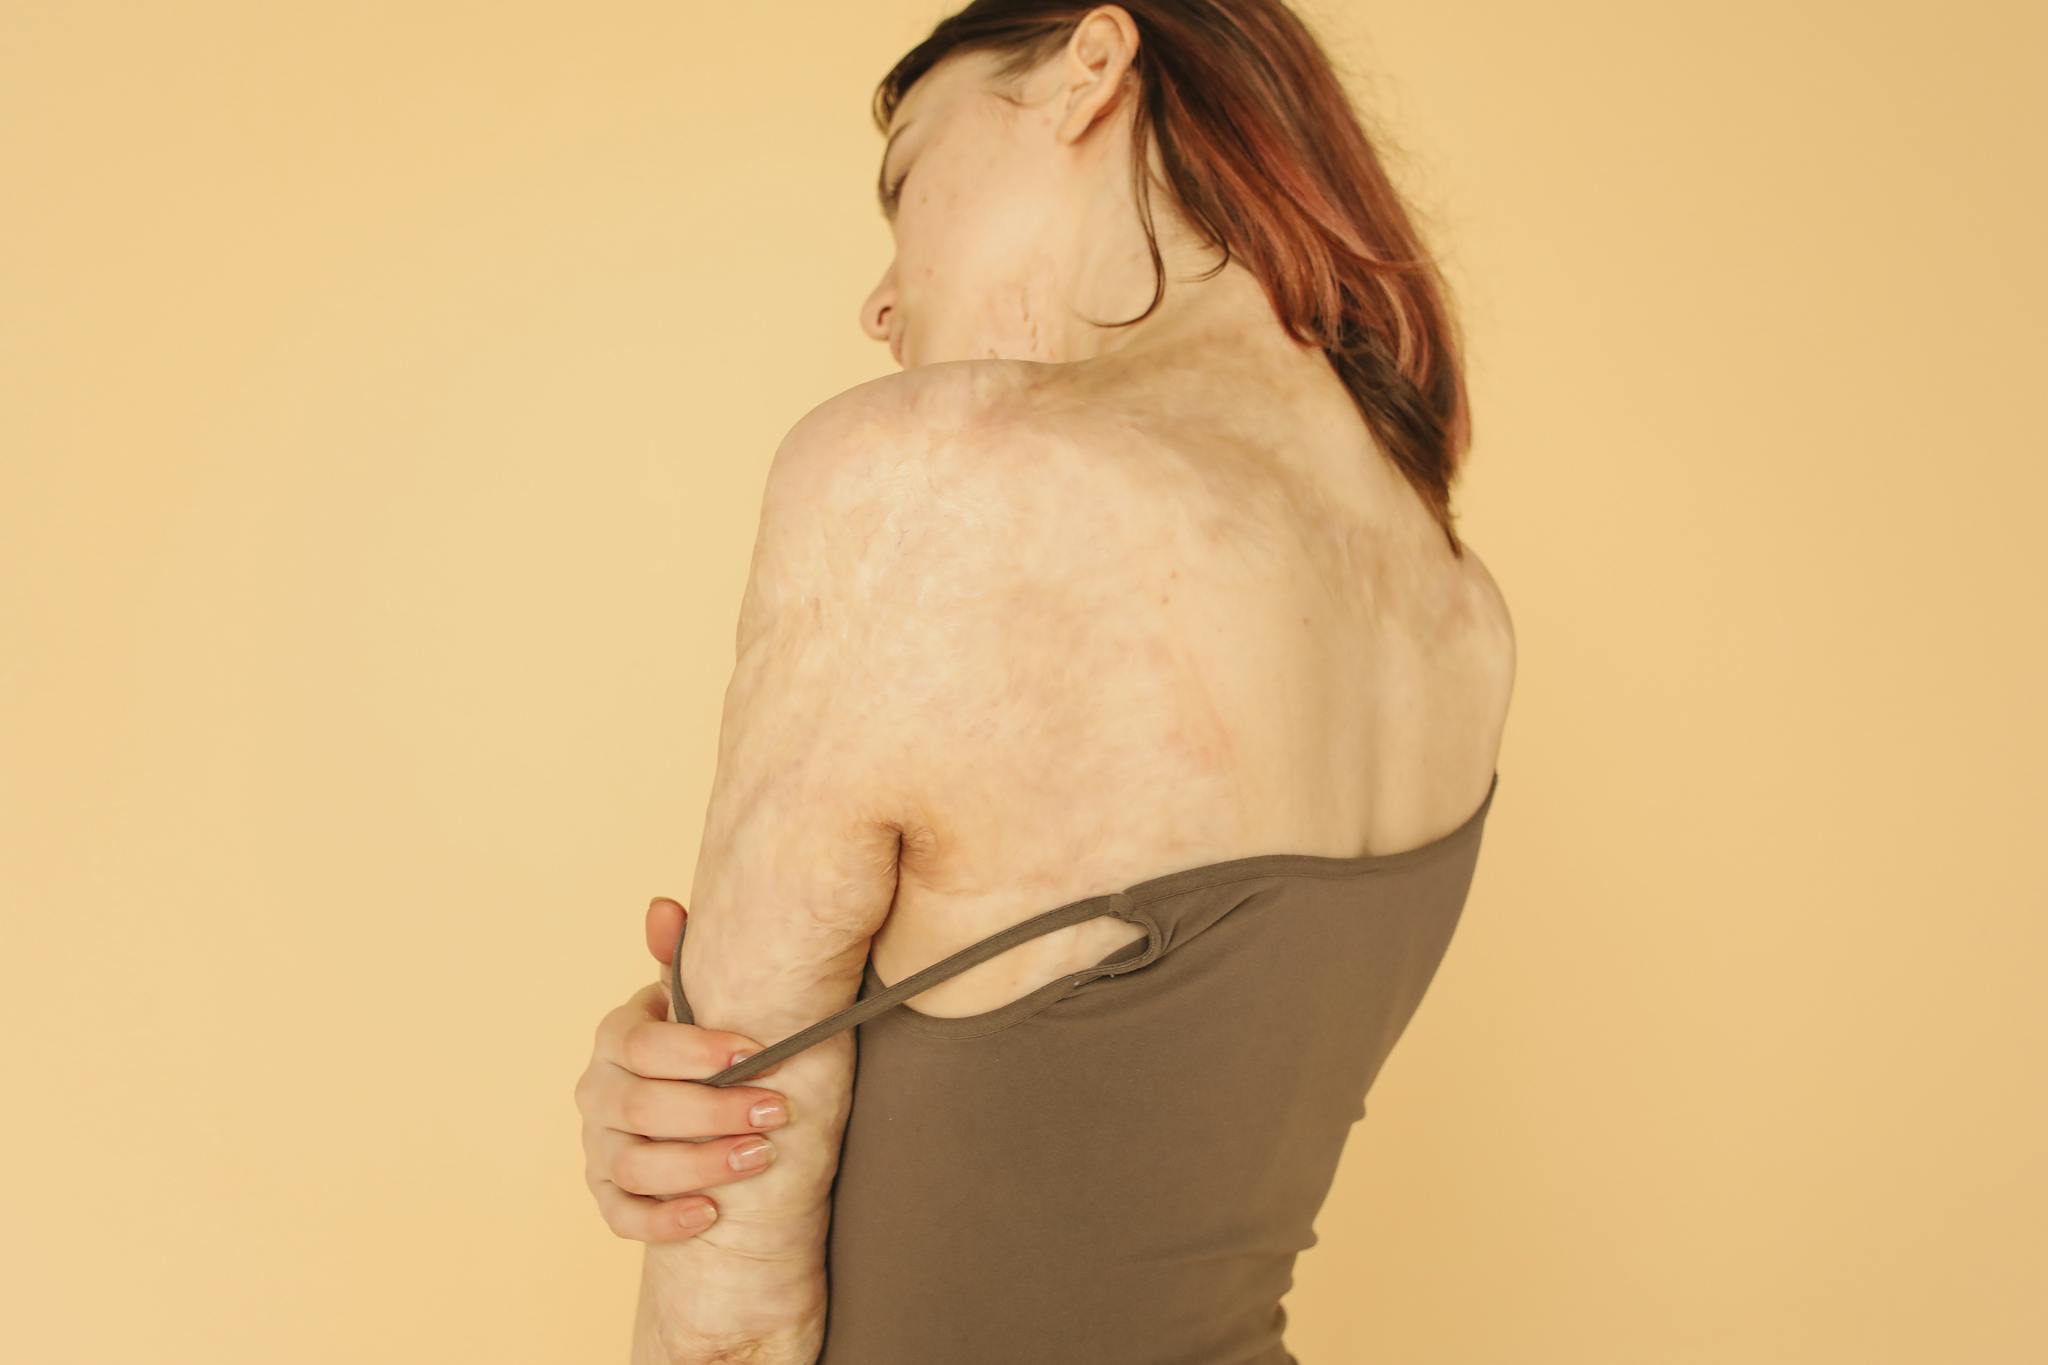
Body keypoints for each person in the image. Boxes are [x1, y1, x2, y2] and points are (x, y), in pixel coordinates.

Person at [573, 3, 1513, 1361]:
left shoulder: (928, 480)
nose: (881, 299)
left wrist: (692, 1128)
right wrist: (665, 1087)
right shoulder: (1456, 612)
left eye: (906, 187)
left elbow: (729, 1310)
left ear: (1090, 71)